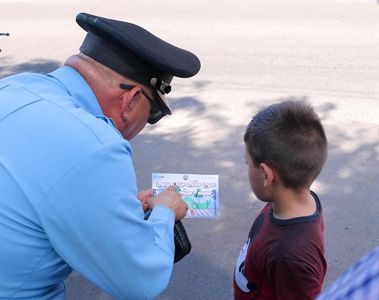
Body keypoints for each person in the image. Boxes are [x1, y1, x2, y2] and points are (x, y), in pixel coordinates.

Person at [0, 12, 200, 299]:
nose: (147, 123)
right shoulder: (96, 146)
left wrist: (115, 208)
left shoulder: (14, 86)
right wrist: (165, 211)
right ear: (130, 100)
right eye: (154, 114)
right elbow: (140, 280)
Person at [233, 100, 328, 300]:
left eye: (247, 163)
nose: (246, 169)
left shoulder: (291, 256)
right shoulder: (294, 199)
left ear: (266, 175)